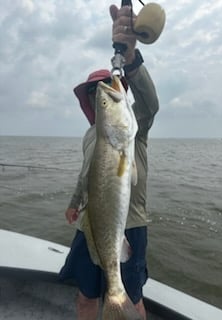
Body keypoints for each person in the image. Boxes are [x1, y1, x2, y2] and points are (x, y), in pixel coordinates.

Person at [59, 4, 159, 320]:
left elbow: (149, 104)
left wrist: (130, 60)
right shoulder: (91, 136)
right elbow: (85, 175)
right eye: (93, 94)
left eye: (101, 91)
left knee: (131, 297)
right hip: (91, 223)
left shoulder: (135, 125)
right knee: (85, 296)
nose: (97, 96)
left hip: (129, 225)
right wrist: (75, 202)